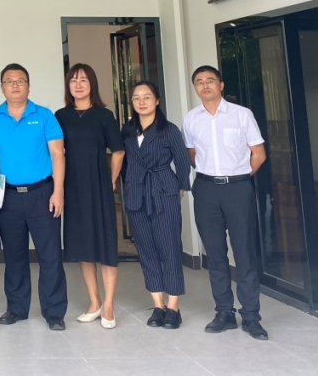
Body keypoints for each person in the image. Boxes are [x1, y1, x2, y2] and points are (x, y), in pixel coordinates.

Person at [183, 64, 269, 340]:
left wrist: (239, 177)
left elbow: (258, 154)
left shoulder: (242, 115)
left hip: (238, 189)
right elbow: (192, 155)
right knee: (215, 254)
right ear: (195, 88)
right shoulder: (191, 119)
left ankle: (251, 316)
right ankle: (224, 312)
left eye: (210, 80)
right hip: (206, 189)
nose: (205, 85)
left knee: (244, 253)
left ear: (221, 85)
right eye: (199, 82)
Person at [0, 63, 68, 331]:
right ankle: (17, 308)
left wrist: (58, 191)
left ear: (29, 86)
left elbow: (57, 154)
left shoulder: (44, 115)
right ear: (1, 87)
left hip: (43, 194)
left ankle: (54, 312)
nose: (15, 85)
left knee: (50, 254)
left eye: (20, 81)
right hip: (7, 196)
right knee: (14, 255)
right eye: (9, 81)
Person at [55, 63, 124, 329]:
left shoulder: (104, 115)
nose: (78, 85)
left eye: (83, 80)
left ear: (92, 84)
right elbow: (56, 152)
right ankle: (94, 302)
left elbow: (118, 151)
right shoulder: (60, 116)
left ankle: (109, 305)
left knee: (106, 245)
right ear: (68, 85)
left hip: (98, 185)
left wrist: (111, 180)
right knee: (83, 245)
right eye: (73, 80)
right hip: (72, 186)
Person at [121, 81, 191, 330]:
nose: (141, 102)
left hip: (163, 191)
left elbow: (182, 161)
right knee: (146, 251)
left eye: (147, 97)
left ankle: (173, 308)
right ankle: (158, 306)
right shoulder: (127, 130)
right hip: (136, 194)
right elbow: (123, 162)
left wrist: (180, 186)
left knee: (170, 248)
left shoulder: (168, 129)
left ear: (157, 100)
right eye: (136, 98)